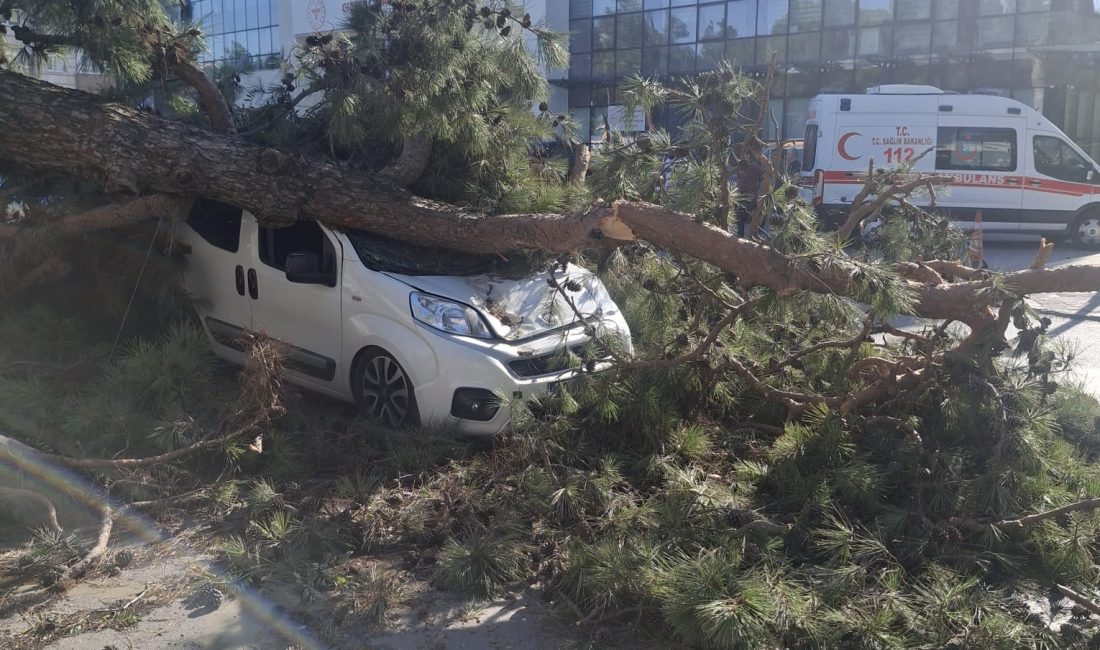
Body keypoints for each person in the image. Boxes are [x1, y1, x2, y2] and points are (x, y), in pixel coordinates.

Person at [734, 151, 764, 237]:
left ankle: (753, 235)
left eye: (745, 154)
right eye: (742, 155)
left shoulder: (754, 166)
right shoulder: (740, 166)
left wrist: (760, 192)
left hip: (750, 195)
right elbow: (739, 179)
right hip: (741, 195)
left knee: (745, 215)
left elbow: (763, 176)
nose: (743, 156)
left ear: (748, 156)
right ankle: (740, 236)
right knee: (740, 217)